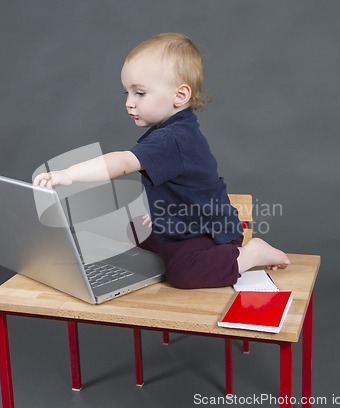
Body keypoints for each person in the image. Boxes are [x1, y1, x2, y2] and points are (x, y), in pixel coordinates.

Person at [33, 32, 290, 289]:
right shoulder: (172, 131)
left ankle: (249, 254)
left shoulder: (173, 139)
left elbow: (122, 162)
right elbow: (183, 187)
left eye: (140, 93)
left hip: (210, 233)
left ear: (179, 96)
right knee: (135, 229)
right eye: (127, 92)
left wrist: (69, 175)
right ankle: (168, 238)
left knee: (182, 275)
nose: (128, 103)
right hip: (184, 218)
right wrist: (163, 213)